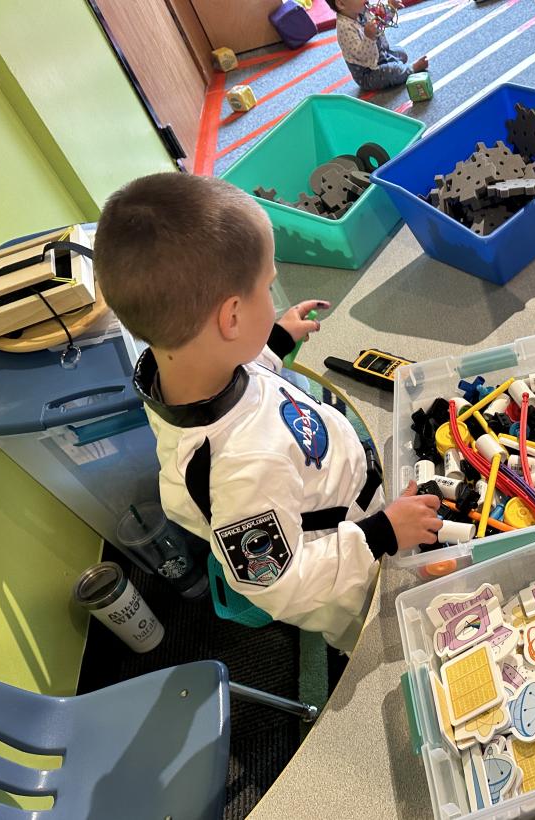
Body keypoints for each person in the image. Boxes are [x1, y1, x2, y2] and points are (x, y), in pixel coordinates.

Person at [94, 173, 442, 651]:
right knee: (408, 630)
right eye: (267, 286)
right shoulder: (242, 468)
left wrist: (272, 341)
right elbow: (281, 583)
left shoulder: (182, 371)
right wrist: (381, 533)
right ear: (232, 318)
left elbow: (239, 375)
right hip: (354, 570)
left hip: (354, 502)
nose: (273, 295)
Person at [329, 0, 428, 93]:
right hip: (368, 72)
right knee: (392, 72)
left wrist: (391, 8)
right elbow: (362, 56)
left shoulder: (361, 10)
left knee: (402, 53)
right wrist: (369, 38)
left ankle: (394, 65)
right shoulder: (345, 28)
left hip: (381, 54)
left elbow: (380, 22)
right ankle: (411, 69)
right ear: (341, 4)